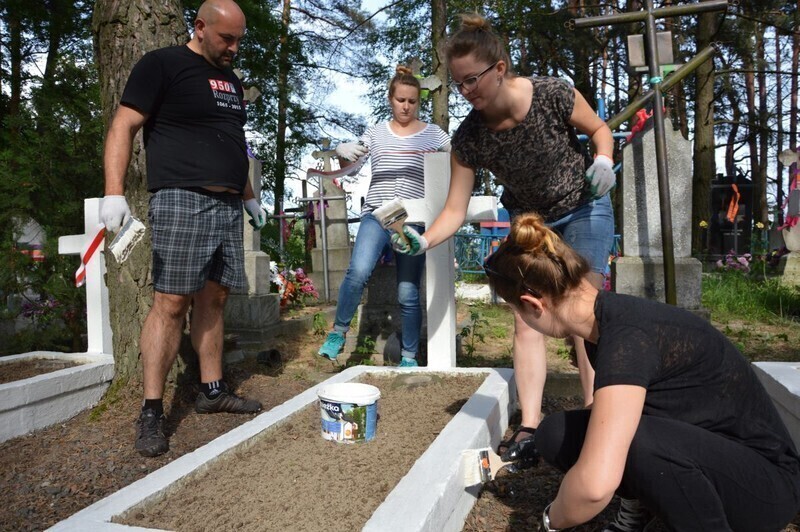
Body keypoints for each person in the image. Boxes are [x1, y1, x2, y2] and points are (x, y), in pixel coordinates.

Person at [484, 212, 800, 531]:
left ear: (533, 304)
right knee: (557, 434)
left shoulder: (627, 338)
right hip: (711, 456)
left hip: (764, 487)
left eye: (517, 312)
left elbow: (595, 488)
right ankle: (642, 513)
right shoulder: (606, 323)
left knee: (635, 441)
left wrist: (549, 522)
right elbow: (612, 416)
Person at [393, 14, 614, 459]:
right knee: (526, 316)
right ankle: (530, 426)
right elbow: (454, 209)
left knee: (584, 313)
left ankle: (596, 416)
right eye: (458, 84)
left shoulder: (553, 94)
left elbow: (599, 130)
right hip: (532, 223)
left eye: (472, 79)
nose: (466, 91)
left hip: (584, 209)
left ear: (500, 68)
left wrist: (604, 160)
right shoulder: (470, 137)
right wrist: (423, 240)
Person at [100, 0, 265, 458]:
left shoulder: (231, 82)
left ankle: (212, 391)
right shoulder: (162, 64)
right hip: (181, 199)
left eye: (239, 40)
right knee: (171, 301)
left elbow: (234, 141)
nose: (234, 48)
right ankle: (152, 410)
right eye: (226, 38)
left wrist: (249, 197)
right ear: (200, 26)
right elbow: (123, 124)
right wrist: (114, 190)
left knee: (215, 297)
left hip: (228, 204)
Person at [317, 66, 450, 367]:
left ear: (419, 102)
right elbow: (350, 166)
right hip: (376, 215)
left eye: (412, 101)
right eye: (400, 100)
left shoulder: (433, 133)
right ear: (390, 99)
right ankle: (338, 333)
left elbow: (458, 158)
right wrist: (342, 151)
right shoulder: (376, 133)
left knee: (408, 291)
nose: (406, 106)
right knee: (358, 272)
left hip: (412, 220)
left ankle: (409, 357)